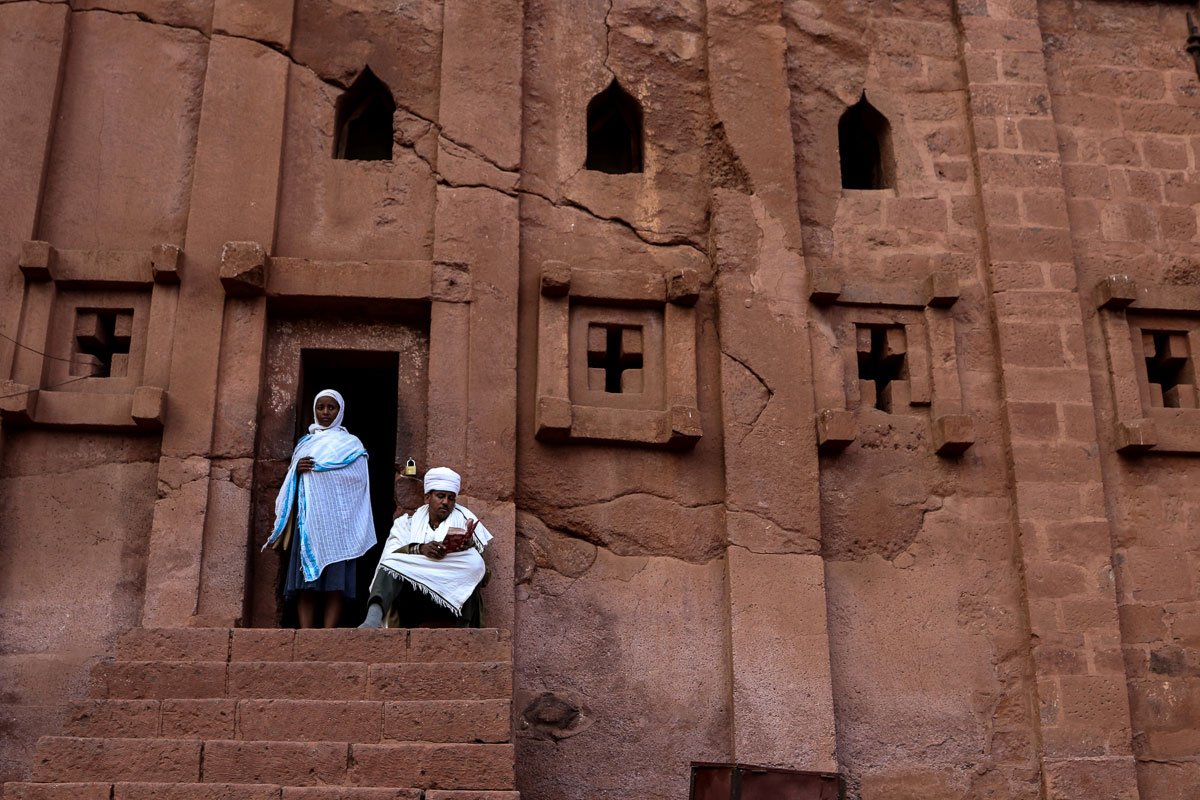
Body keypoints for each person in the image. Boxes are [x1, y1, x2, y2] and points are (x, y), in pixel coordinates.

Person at [263, 389, 376, 628]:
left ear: (340, 411)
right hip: (309, 523)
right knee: (305, 582)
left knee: (335, 582)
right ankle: (306, 633)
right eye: (320, 407)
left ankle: (328, 633)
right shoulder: (305, 444)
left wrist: (324, 471)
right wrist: (297, 471)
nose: (325, 412)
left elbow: (358, 480)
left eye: (331, 407)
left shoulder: (351, 444)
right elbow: (293, 481)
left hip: (339, 523)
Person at [358, 467, 492, 628]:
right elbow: (391, 554)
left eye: (451, 498)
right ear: (427, 497)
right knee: (390, 563)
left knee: (475, 562)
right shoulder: (407, 524)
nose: (446, 502)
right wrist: (420, 549)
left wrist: (465, 548)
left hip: (451, 590)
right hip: (416, 597)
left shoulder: (465, 522)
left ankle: (463, 626)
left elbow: (483, 576)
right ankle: (372, 619)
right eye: (440, 496)